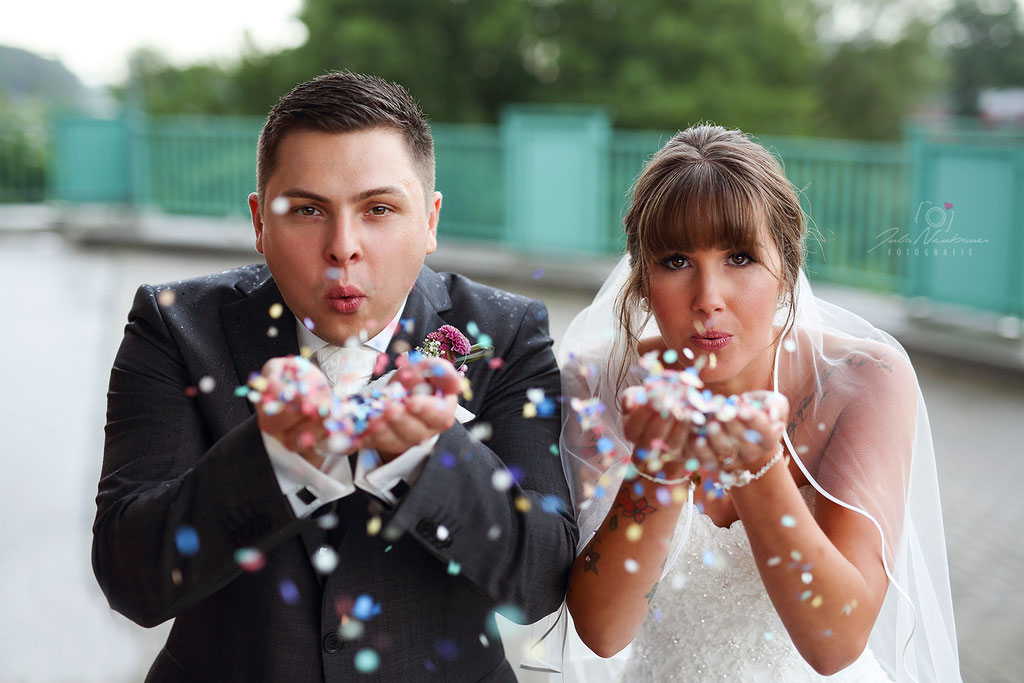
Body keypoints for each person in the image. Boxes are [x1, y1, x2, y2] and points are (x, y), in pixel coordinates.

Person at [92, 71, 577, 682]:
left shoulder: (504, 333)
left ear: (429, 220)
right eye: (307, 210)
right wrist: (275, 459)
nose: (342, 246)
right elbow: (130, 580)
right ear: (260, 222)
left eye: (378, 209)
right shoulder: (174, 327)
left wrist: (429, 457)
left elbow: (542, 584)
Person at [555, 124, 960, 681]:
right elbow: (602, 634)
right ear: (642, 280)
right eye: (675, 261)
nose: (708, 299)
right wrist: (658, 467)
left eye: (740, 257)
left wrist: (757, 465)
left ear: (787, 270)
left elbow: (834, 643)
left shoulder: (863, 381)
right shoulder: (597, 380)